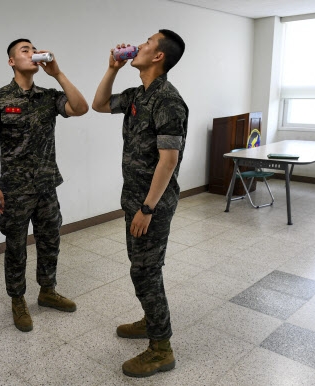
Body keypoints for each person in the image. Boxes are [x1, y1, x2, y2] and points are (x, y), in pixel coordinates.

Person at [92, 30, 188, 378]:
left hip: (153, 204)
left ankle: (161, 348)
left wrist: (147, 209)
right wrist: (112, 68)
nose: (140, 45)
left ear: (159, 56)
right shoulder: (138, 94)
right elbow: (99, 104)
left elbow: (168, 160)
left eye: (148, 42)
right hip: (134, 197)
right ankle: (151, 320)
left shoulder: (168, 100)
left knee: (145, 270)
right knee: (143, 265)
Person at [0, 39, 89, 332]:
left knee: (50, 240)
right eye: (24, 50)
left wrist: (58, 73)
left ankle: (47, 290)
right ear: (12, 62)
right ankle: (18, 299)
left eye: (33, 49)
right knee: (16, 247)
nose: (32, 53)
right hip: (14, 189)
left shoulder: (49, 96)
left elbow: (81, 108)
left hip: (46, 185)